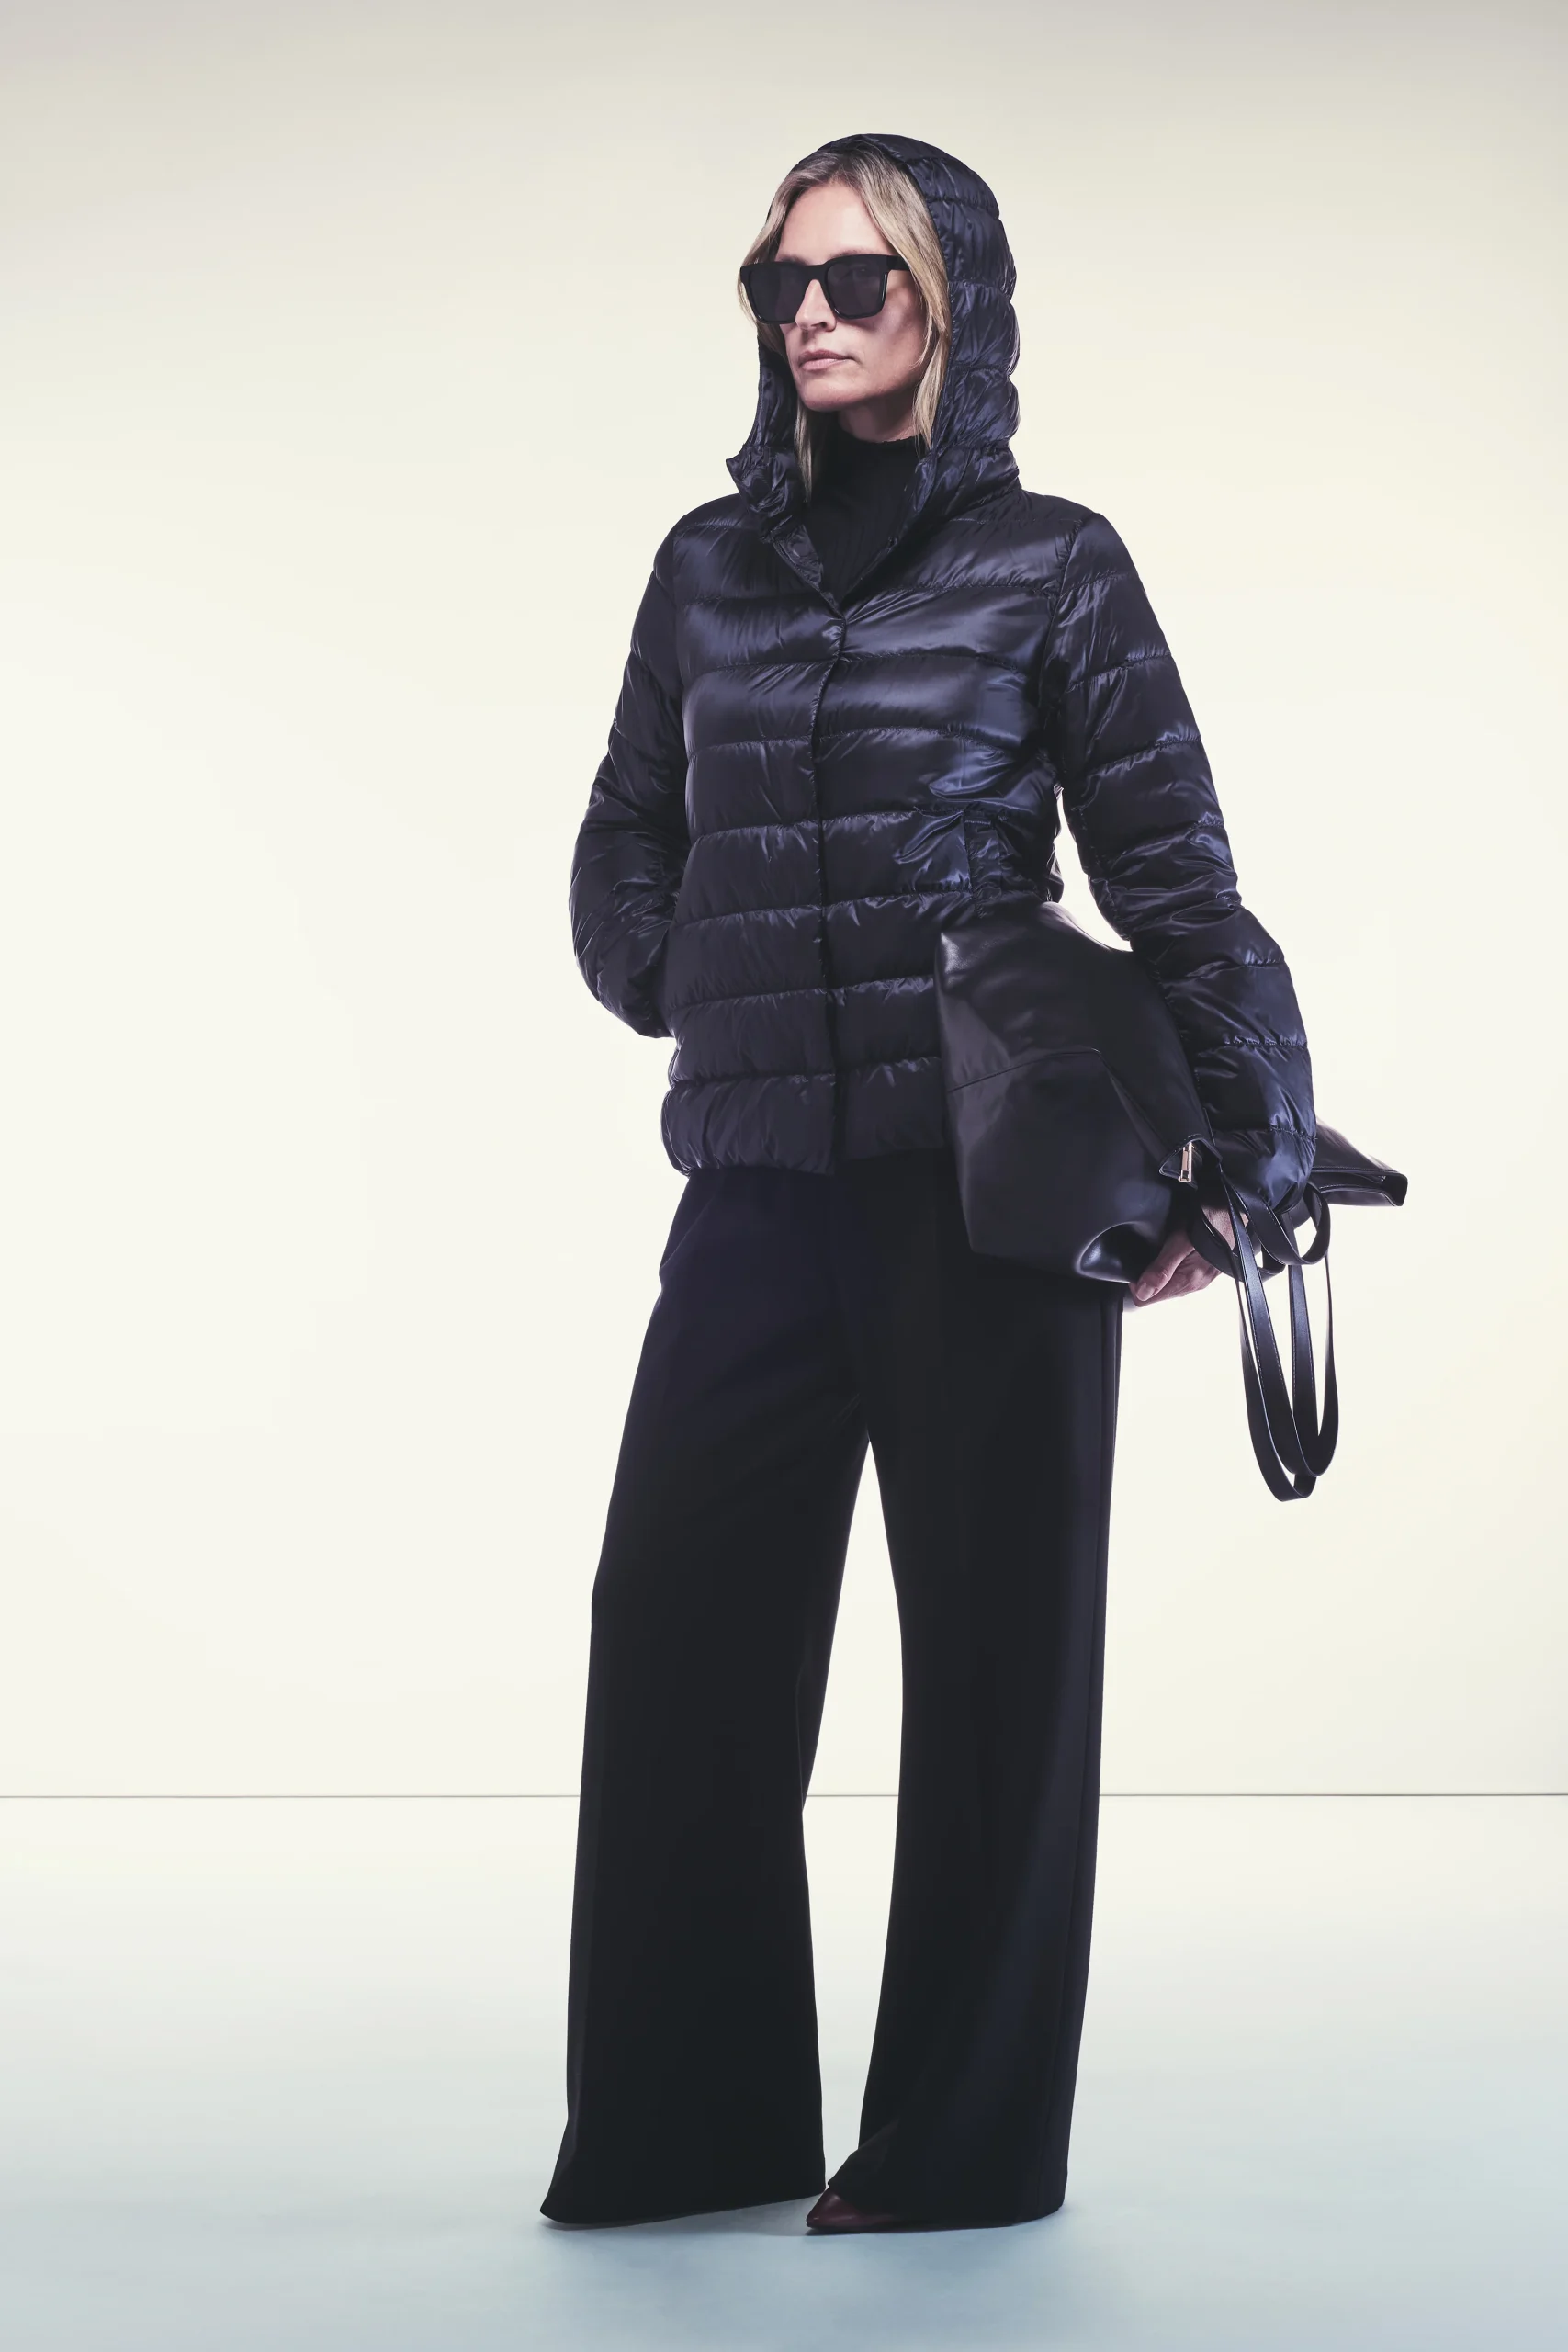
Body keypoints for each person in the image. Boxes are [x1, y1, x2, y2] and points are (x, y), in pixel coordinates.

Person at [541, 133, 1313, 2234]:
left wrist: (1243, 1170)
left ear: (947, 300)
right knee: (675, 1633)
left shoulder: (1051, 564)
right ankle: (690, 2125)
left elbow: (1174, 879)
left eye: (855, 278)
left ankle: (960, 2147)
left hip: (989, 1183)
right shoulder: (707, 566)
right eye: (778, 280)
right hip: (759, 1183)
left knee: (994, 1671)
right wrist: (676, 966)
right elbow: (620, 833)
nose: (808, 312)